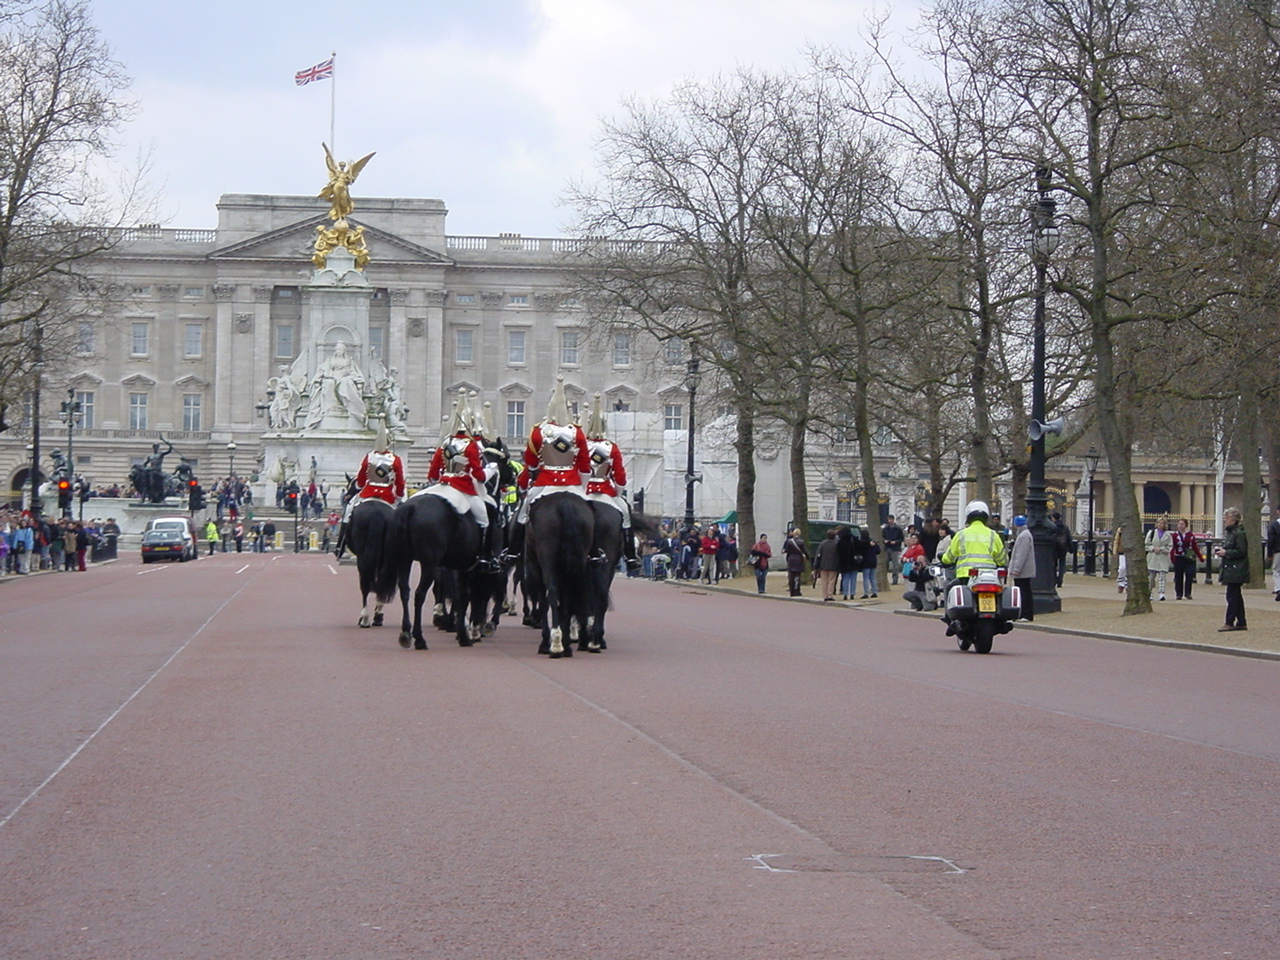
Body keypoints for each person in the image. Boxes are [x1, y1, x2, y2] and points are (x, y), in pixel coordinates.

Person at [507, 376, 590, 563]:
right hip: (572, 483)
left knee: (523, 512)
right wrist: (581, 487)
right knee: (591, 512)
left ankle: (512, 551)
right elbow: (584, 465)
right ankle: (593, 551)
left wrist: (537, 471)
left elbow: (532, 462)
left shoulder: (538, 432)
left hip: (545, 483)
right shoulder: (576, 432)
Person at [428, 394, 498, 569]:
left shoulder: (444, 444)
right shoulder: (470, 445)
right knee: (484, 521)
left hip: (443, 484)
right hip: (463, 487)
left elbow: (432, 474)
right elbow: (479, 475)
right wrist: (489, 472)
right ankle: (483, 556)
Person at [583, 396, 642, 571]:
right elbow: (620, 476)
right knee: (625, 515)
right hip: (605, 489)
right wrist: (617, 493)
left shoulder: (582, 445)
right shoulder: (611, 447)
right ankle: (630, 556)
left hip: (583, 490)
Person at [336, 419, 406, 559]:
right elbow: (399, 482)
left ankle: (342, 546)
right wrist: (398, 496)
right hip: (387, 496)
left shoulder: (369, 457)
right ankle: (403, 549)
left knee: (349, 511)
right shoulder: (395, 459)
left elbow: (361, 480)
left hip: (367, 494)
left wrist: (357, 487)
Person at [940, 501, 1009, 635]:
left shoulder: (961, 534)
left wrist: (944, 559)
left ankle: (950, 620)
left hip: (966, 575)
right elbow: (1002, 558)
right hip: (990, 576)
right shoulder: (993, 535)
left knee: (948, 587)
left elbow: (950, 555)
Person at [305, 341, 366, 429]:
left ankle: (351, 407)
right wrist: (329, 375)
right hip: (332, 377)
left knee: (347, 383)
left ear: (344, 351)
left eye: (340, 349)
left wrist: (348, 375)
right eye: (337, 349)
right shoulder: (330, 360)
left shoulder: (349, 361)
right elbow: (323, 370)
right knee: (329, 383)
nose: (338, 351)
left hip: (344, 378)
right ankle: (331, 407)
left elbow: (354, 372)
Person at [1215, 507, 1249, 632]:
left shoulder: (1238, 533)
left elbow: (1241, 551)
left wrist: (1226, 552)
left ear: (1234, 519)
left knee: (1232, 596)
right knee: (1236, 596)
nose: (1225, 520)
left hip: (1236, 569)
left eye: (1227, 518)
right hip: (1232, 568)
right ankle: (1241, 621)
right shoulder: (1231, 532)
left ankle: (1229, 622)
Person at [1008, 515, 1036, 621]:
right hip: (1024, 570)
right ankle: (1023, 613)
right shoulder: (1024, 534)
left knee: (1023, 592)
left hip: (1023, 571)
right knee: (1023, 591)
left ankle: (1026, 614)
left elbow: (1021, 554)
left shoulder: (1024, 536)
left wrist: (1016, 569)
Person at [1171, 517, 1204, 600]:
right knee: (1179, 576)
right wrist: (1172, 557)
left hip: (1189, 558)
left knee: (1189, 575)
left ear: (1186, 525)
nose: (1180, 526)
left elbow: (1195, 547)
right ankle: (1179, 593)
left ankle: (1188, 593)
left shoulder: (1190, 535)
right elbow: (1173, 547)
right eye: (1179, 524)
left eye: (1182, 524)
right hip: (1179, 558)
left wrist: (1200, 557)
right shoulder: (1175, 535)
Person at [1144, 516, 1173, 601]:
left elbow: (1170, 546)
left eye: (1162, 523)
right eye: (1159, 523)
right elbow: (1146, 544)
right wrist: (1153, 548)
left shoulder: (1168, 535)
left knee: (1162, 576)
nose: (1160, 525)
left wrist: (1162, 549)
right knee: (1151, 577)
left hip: (1162, 557)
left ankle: (1162, 593)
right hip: (1152, 557)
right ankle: (1150, 593)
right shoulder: (1151, 533)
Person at [835, 525, 860, 601]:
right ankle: (852, 593)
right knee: (853, 578)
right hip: (853, 561)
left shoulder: (840, 541)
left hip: (844, 562)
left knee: (845, 578)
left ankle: (845, 593)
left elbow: (838, 552)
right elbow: (858, 549)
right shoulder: (854, 539)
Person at [815, 528, 840, 601]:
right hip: (833, 565)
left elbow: (818, 555)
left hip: (823, 565)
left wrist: (816, 565)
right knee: (831, 581)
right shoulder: (836, 544)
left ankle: (825, 595)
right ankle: (830, 595)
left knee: (824, 581)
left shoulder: (823, 544)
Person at [782, 528, 808, 597]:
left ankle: (792, 591)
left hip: (791, 559)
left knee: (791, 576)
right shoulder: (801, 542)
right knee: (797, 576)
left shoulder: (789, 542)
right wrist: (807, 558)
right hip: (799, 559)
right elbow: (804, 551)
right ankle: (797, 590)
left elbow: (786, 550)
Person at [1051, 512, 1072, 587]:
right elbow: (1069, 538)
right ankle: (1060, 580)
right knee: (1062, 564)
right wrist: (1070, 548)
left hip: (1054, 547)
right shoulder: (1065, 527)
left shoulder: (1052, 526)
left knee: (1053, 564)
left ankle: (1054, 579)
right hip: (1063, 547)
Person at [881, 515, 904, 585]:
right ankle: (884, 579)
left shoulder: (898, 529)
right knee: (885, 564)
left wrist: (896, 542)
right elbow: (882, 537)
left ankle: (895, 579)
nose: (889, 521)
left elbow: (901, 538)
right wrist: (884, 541)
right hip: (887, 547)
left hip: (895, 548)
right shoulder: (885, 528)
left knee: (895, 566)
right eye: (888, 519)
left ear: (893, 520)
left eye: (890, 519)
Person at [858, 529, 880, 599]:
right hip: (873, 561)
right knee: (872, 577)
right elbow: (878, 551)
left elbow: (860, 550)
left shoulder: (861, 543)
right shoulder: (872, 542)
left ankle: (866, 593)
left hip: (865, 561)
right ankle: (874, 591)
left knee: (866, 578)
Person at [1268, 509, 1280, 601]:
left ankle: (1278, 588)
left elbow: (1271, 540)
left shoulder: (1274, 525)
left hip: (1278, 551)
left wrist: (1269, 553)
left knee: (1276, 570)